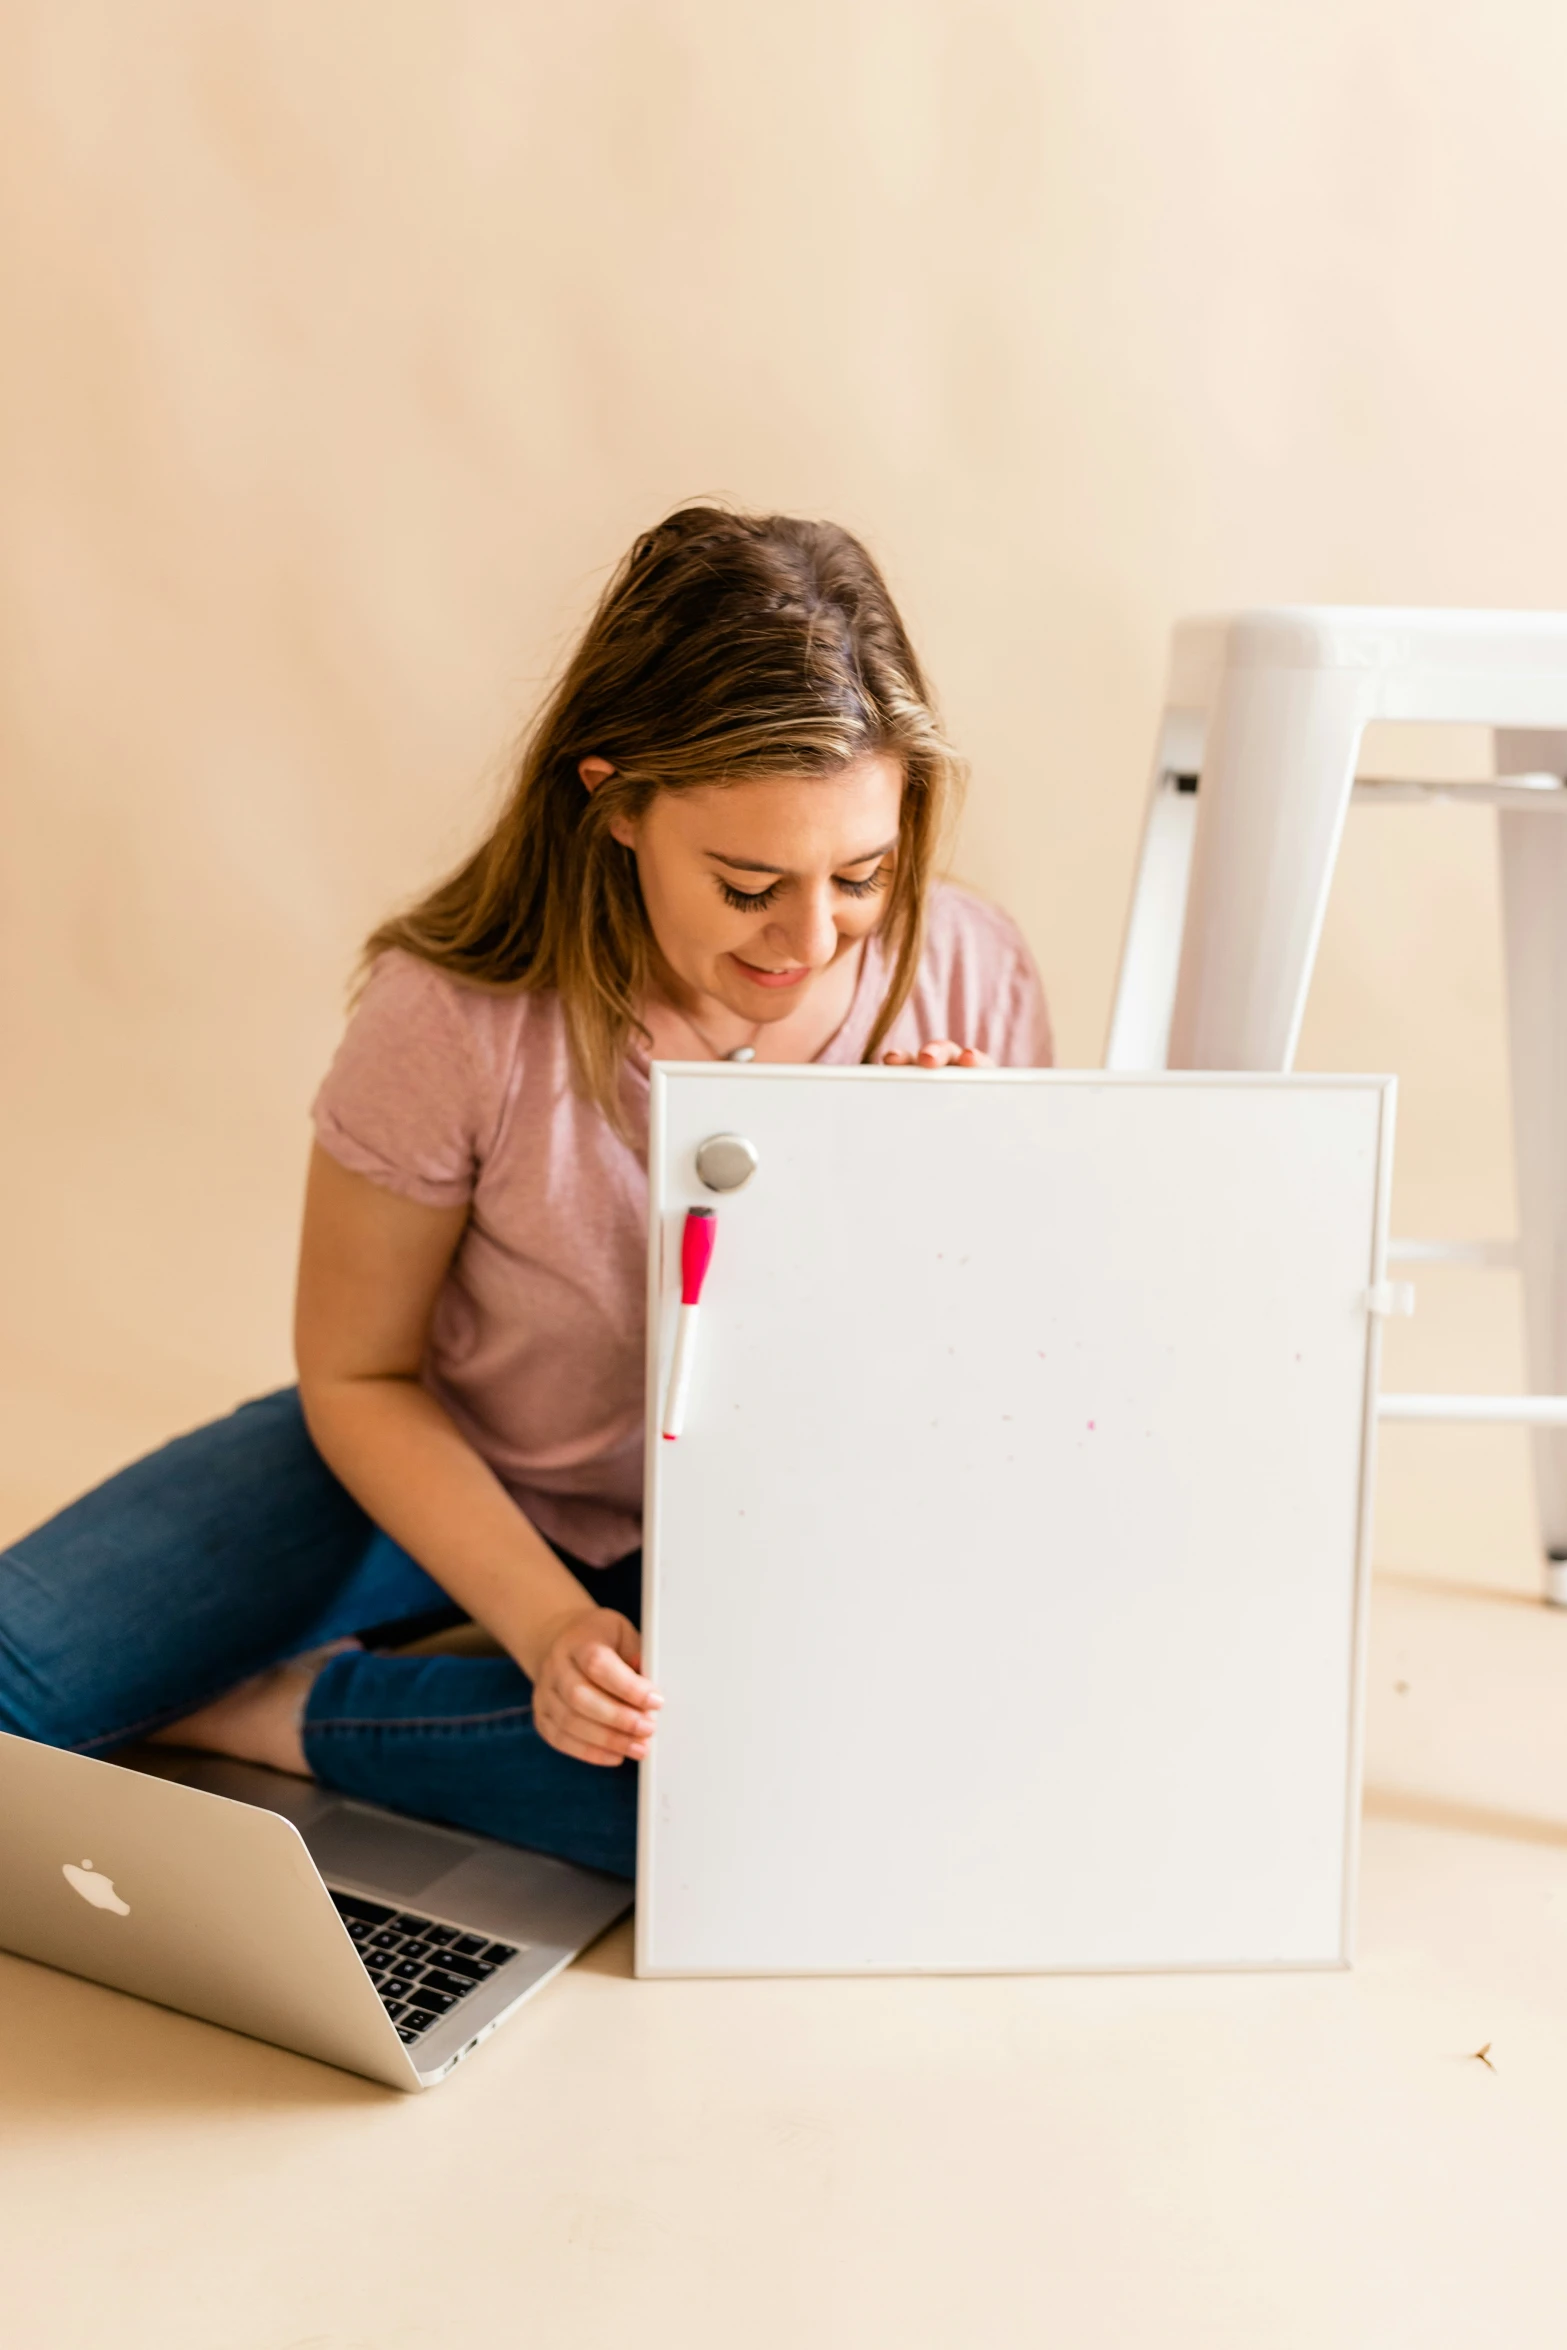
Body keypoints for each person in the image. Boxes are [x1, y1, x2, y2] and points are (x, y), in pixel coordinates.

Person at [0, 506, 1052, 1881]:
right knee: (16, 1686)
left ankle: (276, 1714)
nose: (809, 938)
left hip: (779, 1516)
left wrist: (965, 1199)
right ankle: (421, 1694)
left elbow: (993, 1404)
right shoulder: (455, 1013)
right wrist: (547, 1625)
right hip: (445, 1459)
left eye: (860, 873)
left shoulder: (966, 968)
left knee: (786, 1797)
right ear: (614, 803)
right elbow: (362, 1371)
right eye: (747, 885)